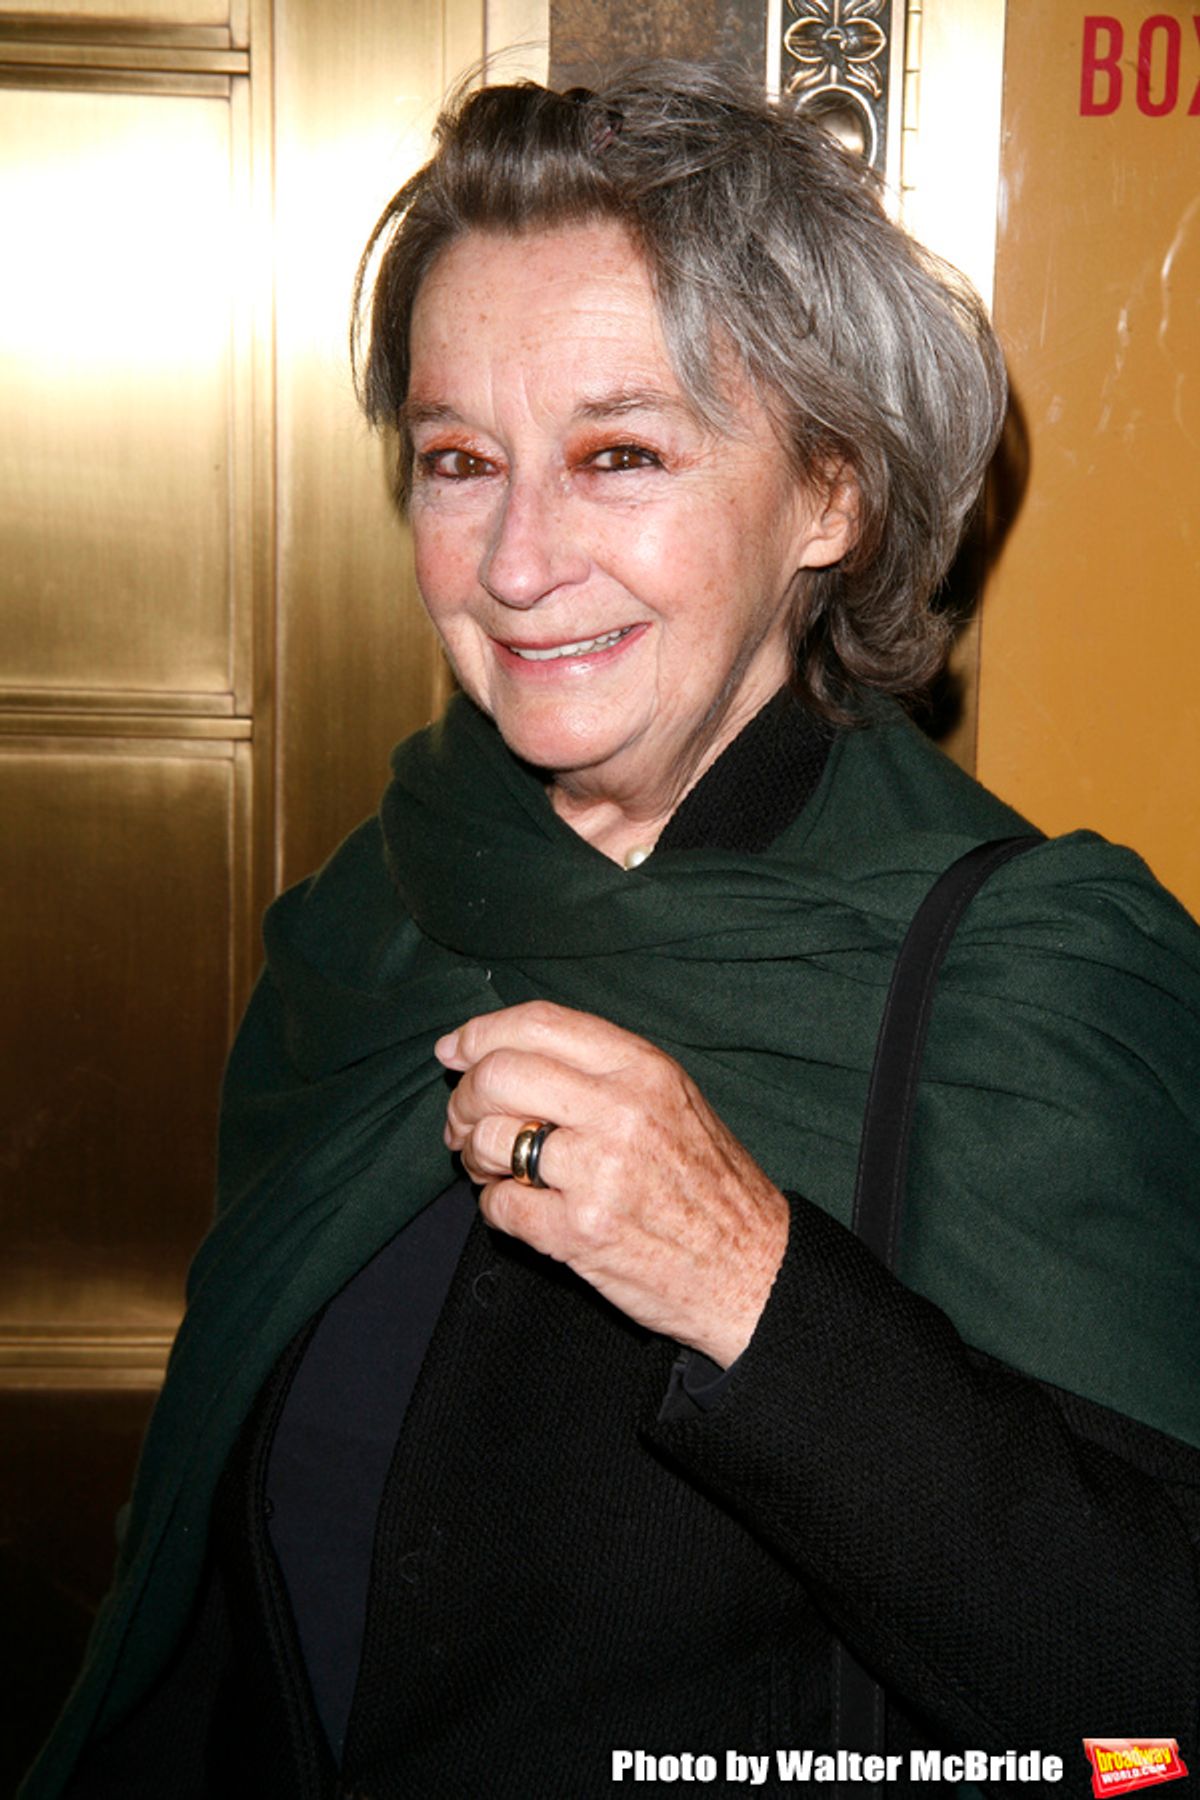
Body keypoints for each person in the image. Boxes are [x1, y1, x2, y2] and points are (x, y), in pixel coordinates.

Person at [26, 62, 1200, 1800]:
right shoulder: (379, 906)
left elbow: (1149, 1711)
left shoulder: (1027, 973)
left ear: (831, 498)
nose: (513, 559)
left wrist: (756, 1288)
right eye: (457, 460)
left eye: (618, 453)